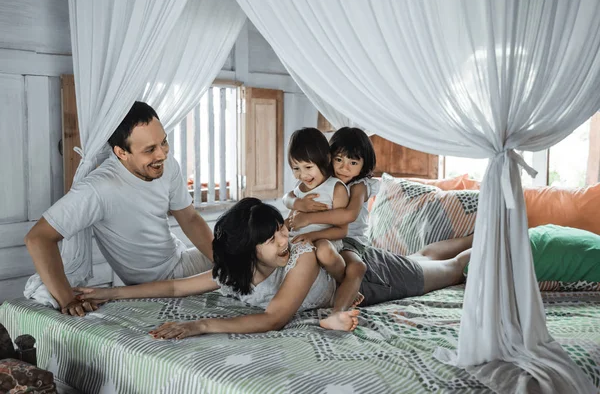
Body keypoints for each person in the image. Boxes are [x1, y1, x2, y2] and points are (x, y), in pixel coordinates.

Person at [74, 198, 472, 339]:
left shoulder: (299, 257)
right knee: (426, 255)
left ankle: (496, 238)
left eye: (281, 229)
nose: (284, 240)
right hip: (354, 262)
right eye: (272, 239)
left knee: (452, 269)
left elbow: (273, 319)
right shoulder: (232, 269)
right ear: (247, 251)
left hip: (375, 276)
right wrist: (107, 292)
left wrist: (202, 325)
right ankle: (477, 234)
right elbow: (177, 289)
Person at [24, 101, 213, 317]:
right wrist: (66, 298)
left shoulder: (167, 165)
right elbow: (37, 238)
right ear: (121, 152)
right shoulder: (99, 188)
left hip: (181, 261)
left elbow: (189, 218)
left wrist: (224, 261)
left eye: (164, 142)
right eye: (150, 149)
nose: (161, 154)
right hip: (161, 281)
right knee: (252, 258)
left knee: (248, 252)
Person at [284, 127, 378, 308]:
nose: (344, 167)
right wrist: (297, 204)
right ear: (328, 158)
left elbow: (349, 215)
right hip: (323, 235)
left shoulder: (359, 186)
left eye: (353, 162)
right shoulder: (318, 179)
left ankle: (339, 310)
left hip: (350, 239)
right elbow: (288, 196)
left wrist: (308, 219)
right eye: (339, 159)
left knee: (356, 267)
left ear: (364, 164)